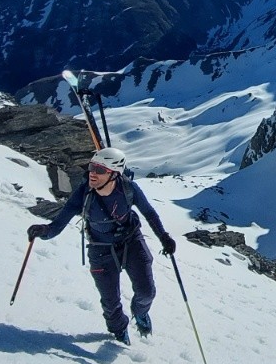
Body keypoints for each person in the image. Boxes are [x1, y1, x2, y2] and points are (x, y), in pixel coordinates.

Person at [27, 147, 177, 345]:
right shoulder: (83, 193)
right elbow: (59, 222)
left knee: (146, 292)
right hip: (100, 249)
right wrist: (44, 232)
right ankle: (119, 332)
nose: (92, 174)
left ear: (114, 174)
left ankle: (140, 312)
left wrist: (164, 237)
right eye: (91, 168)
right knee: (110, 303)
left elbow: (149, 213)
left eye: (99, 170)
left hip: (131, 241)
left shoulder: (128, 189)